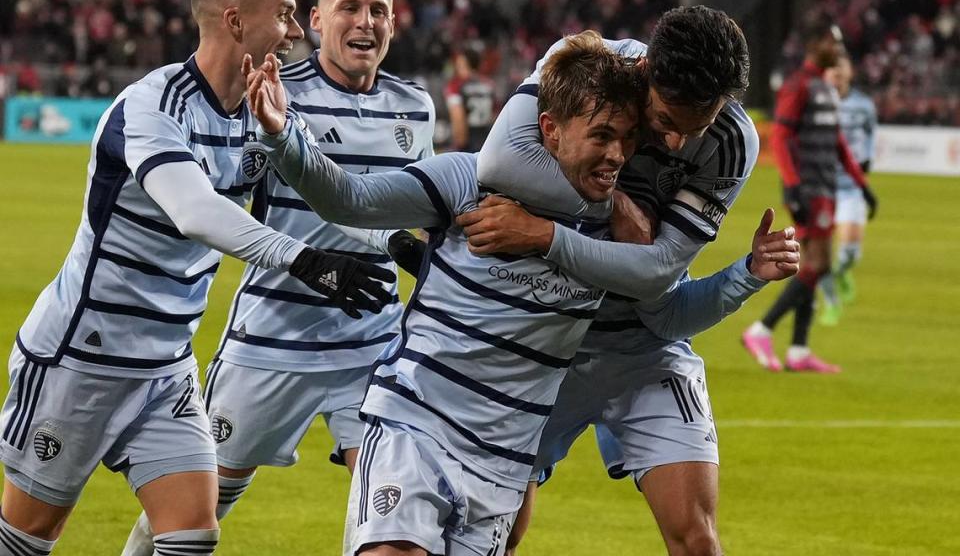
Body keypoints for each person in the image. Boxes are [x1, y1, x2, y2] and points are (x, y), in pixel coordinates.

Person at [246, 29, 798, 556]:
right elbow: (352, 199)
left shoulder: (628, 238)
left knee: (697, 540)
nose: (667, 145)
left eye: (629, 140)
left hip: (533, 422)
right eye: (604, 136)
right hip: (431, 412)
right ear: (550, 129)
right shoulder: (479, 182)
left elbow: (664, 301)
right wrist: (280, 134)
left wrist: (745, 273)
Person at [0, 0, 394, 556]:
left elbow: (333, 196)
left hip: (165, 367)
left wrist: (399, 242)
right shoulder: (153, 106)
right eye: (286, 14)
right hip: (83, 356)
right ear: (235, 21)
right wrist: (303, 259)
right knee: (26, 539)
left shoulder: (262, 109)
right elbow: (195, 210)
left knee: (191, 535)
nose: (295, 31)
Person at [121, 0, 435, 555]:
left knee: (393, 503)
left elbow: (396, 204)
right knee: (202, 502)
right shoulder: (271, 91)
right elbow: (235, 192)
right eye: (349, 8)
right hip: (270, 341)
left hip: (372, 343)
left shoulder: (414, 106)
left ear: (396, 22)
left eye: (379, 10)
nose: (365, 22)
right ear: (316, 20)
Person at [466, 6, 776, 556]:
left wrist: (546, 232)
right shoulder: (582, 72)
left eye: (695, 127)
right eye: (665, 121)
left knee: (696, 540)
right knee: (496, 533)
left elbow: (655, 273)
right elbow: (496, 164)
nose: (678, 143)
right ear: (646, 73)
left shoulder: (731, 139)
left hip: (643, 346)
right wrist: (612, 202)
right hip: (544, 336)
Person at [742, 14, 877, 373]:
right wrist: (792, 185)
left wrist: (862, 186)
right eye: (834, 41)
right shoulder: (798, 85)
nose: (840, 48)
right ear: (815, 45)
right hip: (808, 188)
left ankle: (799, 351)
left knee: (817, 265)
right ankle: (761, 329)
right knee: (817, 263)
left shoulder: (826, 87)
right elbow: (783, 138)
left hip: (825, 187)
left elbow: (838, 144)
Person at [817, 54, 877, 325]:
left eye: (842, 67)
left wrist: (867, 161)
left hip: (851, 186)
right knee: (820, 254)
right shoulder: (816, 103)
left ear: (851, 72)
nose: (837, 73)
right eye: (833, 68)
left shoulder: (863, 105)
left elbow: (871, 135)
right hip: (823, 187)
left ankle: (842, 274)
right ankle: (830, 303)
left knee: (850, 251)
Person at [443, 47, 497, 152]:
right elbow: (495, 116)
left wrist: (459, 146)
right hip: (487, 143)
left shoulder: (456, 86)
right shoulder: (489, 85)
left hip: (467, 145)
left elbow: (458, 117)